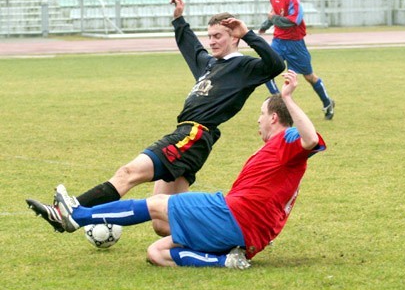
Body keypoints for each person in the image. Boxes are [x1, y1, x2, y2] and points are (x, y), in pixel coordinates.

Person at [26, 0, 285, 235]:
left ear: (234, 37)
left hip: (192, 135)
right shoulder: (209, 64)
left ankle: (69, 212)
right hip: (189, 138)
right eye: (210, 36)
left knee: (128, 173)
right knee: (163, 224)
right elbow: (191, 48)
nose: (212, 41)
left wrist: (248, 33)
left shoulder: (244, 67)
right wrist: (178, 20)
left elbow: (275, 64)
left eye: (218, 36)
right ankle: (226, 234)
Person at [28, 70, 326, 270]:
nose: (257, 121)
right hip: (246, 233)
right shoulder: (280, 151)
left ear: (274, 118)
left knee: (157, 204)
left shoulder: (288, 140)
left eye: (261, 115)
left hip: (235, 215)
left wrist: (287, 97)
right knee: (156, 253)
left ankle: (77, 216)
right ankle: (224, 261)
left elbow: (310, 138)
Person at [258, 0, 335, 120]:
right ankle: (280, 103)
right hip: (278, 41)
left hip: (295, 44)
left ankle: (327, 103)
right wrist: (265, 26)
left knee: (309, 76)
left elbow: (294, 21)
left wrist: (273, 19)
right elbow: (275, 13)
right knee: (266, 71)